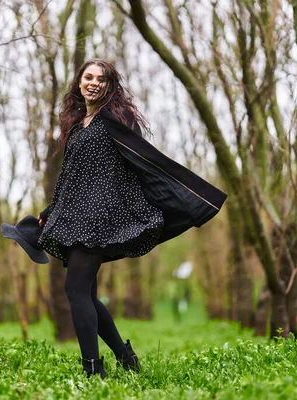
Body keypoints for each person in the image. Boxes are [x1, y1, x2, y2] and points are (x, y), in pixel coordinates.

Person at [36, 59, 227, 379]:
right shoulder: (75, 125)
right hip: (78, 214)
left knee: (75, 290)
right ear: (79, 83)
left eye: (101, 79)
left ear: (110, 86)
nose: (94, 83)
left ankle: (93, 372)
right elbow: (70, 176)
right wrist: (49, 212)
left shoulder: (114, 120)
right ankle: (126, 357)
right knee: (86, 294)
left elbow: (143, 161)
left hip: (101, 215)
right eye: (88, 77)